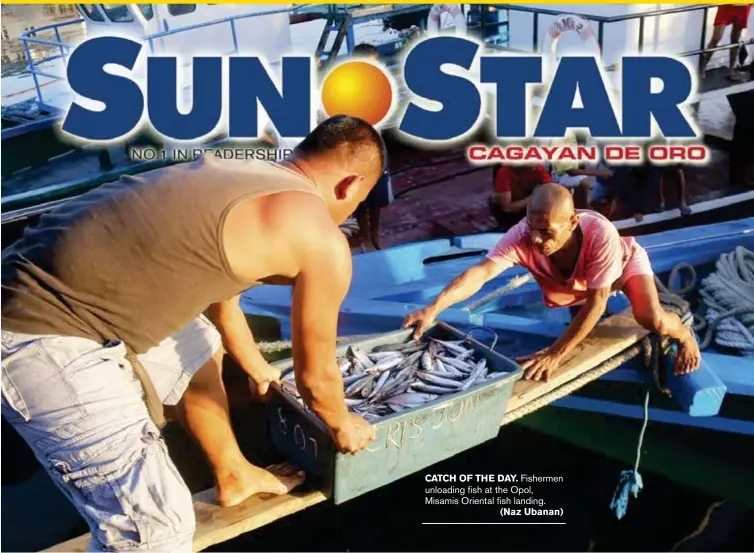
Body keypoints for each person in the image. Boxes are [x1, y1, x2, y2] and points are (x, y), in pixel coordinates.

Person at [1, 115, 383, 552]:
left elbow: (221, 297)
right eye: (358, 204)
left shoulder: (239, 170)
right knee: (155, 530)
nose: (348, 214)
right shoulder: (320, 237)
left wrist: (258, 368)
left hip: (26, 279)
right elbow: (316, 380)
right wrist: (343, 424)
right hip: (40, 332)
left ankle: (233, 472)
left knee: (197, 342)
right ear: (349, 184)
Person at [404, 183, 701, 381]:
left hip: (621, 266)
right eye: (532, 227)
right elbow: (479, 274)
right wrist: (433, 309)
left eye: (547, 232)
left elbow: (597, 302)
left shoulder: (600, 233)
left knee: (652, 319)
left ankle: (685, 334)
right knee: (580, 318)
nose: (536, 239)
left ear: (572, 223)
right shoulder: (523, 235)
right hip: (575, 284)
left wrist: (555, 354)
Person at [351, 42, 394, 251]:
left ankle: (375, 234)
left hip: (377, 145)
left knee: (378, 195)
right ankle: (365, 237)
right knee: (359, 195)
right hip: (355, 148)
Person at [489, 163, 552, 230]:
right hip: (508, 212)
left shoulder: (539, 170)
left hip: (526, 205)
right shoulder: (504, 173)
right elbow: (507, 208)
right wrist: (532, 198)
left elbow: (549, 192)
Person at [700, 4, 752, 82]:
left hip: (743, 7)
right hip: (727, 5)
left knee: (735, 39)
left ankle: (732, 70)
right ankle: (702, 68)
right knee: (716, 38)